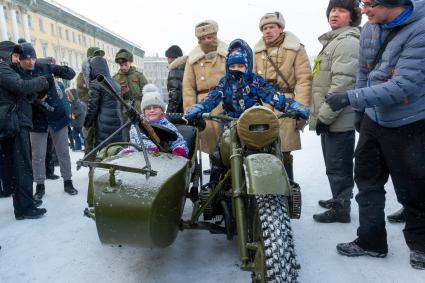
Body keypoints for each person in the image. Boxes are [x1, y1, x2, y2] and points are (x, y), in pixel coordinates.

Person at [327, 0, 425, 270]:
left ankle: (420, 245)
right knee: (367, 181)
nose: (364, 9)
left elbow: (402, 86)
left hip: (409, 120)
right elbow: (364, 69)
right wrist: (361, 107)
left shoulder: (421, 29)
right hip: (374, 117)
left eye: (370, 3)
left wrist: (350, 98)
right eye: (363, 2)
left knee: (413, 187)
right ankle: (371, 241)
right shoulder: (370, 27)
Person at [185, 39, 310, 185]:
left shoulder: (255, 81)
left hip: (254, 124)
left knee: (272, 150)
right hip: (230, 125)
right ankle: (215, 190)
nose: (236, 69)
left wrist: (295, 107)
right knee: (219, 156)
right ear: (227, 67)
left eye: (240, 65)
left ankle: (282, 183)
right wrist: (197, 109)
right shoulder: (224, 82)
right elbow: (212, 98)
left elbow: (273, 96)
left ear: (247, 66)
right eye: (232, 66)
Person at [309, 0, 361, 223]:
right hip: (332, 117)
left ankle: (341, 208)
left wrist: (324, 116)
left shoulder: (347, 42)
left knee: (339, 165)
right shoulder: (334, 41)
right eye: (332, 10)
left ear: (352, 16)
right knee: (333, 163)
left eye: (341, 10)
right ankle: (337, 198)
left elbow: (342, 84)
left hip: (339, 118)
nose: (334, 14)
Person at [253, 12, 312, 182]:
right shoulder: (257, 51)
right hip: (263, 104)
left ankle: (288, 187)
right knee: (261, 147)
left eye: (272, 27)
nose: (268, 31)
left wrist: (300, 109)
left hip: (286, 103)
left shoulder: (296, 49)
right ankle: (266, 189)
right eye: (265, 28)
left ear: (281, 29)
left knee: (285, 149)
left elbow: (303, 80)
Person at [19, 42, 79, 200]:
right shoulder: (17, 73)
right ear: (19, 59)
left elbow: (71, 74)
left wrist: (61, 69)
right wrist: (35, 99)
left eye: (33, 58)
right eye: (26, 59)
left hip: (57, 115)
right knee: (37, 155)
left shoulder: (45, 66)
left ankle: (68, 181)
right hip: (36, 119)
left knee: (63, 152)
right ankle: (39, 185)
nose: (30, 62)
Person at [0, 40, 50, 219]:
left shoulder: (7, 69)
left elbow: (20, 92)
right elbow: (21, 86)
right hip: (15, 123)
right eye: (14, 56)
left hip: (14, 122)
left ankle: (24, 203)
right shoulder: (2, 68)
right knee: (22, 167)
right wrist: (42, 80)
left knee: (18, 167)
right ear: (6, 54)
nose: (16, 60)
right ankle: (25, 208)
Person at [183, 20, 228, 159]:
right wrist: (190, 110)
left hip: (226, 102)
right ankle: (215, 174)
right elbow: (188, 88)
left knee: (229, 144)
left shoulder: (228, 54)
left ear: (216, 36)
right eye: (202, 38)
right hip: (204, 106)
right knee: (211, 144)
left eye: (209, 37)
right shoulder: (193, 60)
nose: (206, 41)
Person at [125, 84, 189, 158]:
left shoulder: (168, 126)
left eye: (155, 107)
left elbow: (179, 142)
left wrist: (177, 154)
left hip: (162, 160)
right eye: (148, 108)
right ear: (144, 112)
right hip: (141, 159)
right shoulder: (136, 125)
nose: (152, 110)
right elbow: (134, 142)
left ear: (162, 110)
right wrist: (131, 152)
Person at [84, 56, 124, 148]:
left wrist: (87, 124)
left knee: (104, 152)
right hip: (117, 123)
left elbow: (92, 108)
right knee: (116, 151)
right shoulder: (116, 83)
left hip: (103, 125)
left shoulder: (95, 83)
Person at [113, 48, 148, 142]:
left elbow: (147, 91)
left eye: (125, 64)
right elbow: (113, 96)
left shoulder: (138, 75)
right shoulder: (116, 78)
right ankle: (128, 149)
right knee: (126, 130)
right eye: (121, 65)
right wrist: (121, 93)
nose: (123, 67)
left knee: (142, 129)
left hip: (139, 107)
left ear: (130, 63)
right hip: (124, 109)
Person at [77, 47, 105, 156]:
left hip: (104, 111)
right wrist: (94, 101)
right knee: (89, 137)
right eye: (95, 56)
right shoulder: (82, 76)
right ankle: (90, 162)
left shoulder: (103, 74)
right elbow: (81, 94)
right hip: (90, 111)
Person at [165, 45, 187, 113]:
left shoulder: (175, 71)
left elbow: (174, 96)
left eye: (168, 57)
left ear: (172, 58)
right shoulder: (185, 68)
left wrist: (169, 114)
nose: (167, 60)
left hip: (179, 111)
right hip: (187, 107)